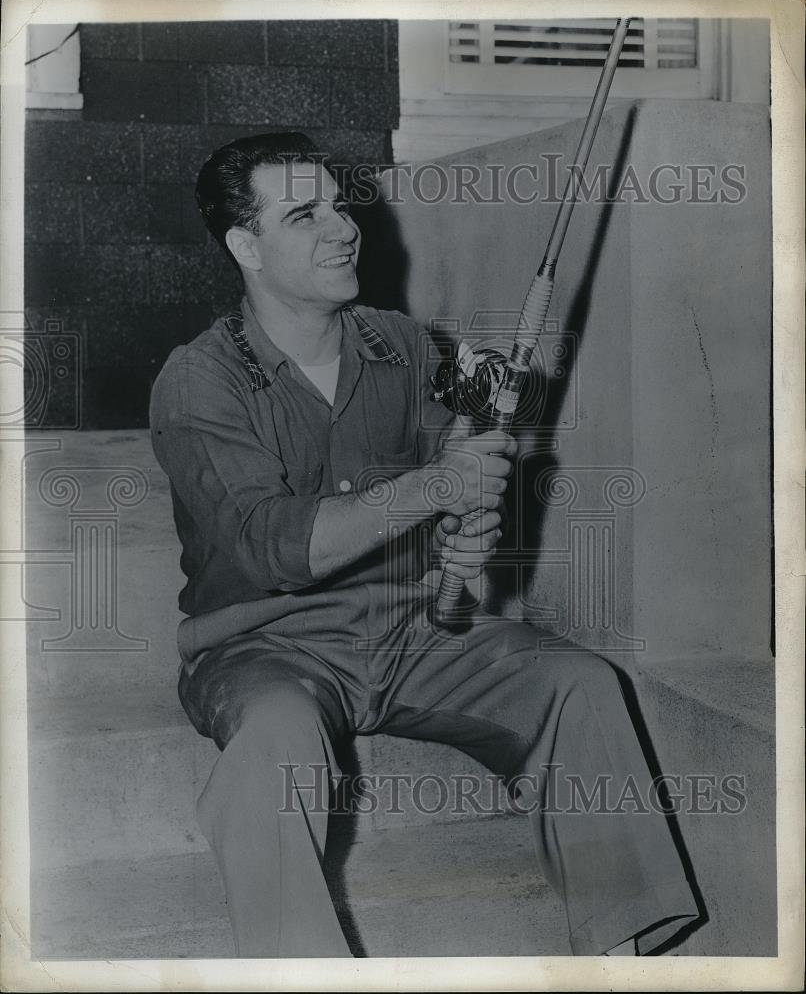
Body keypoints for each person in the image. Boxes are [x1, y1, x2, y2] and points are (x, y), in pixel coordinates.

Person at [149, 132, 700, 959]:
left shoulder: (401, 345)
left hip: (412, 635)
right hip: (267, 647)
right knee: (274, 745)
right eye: (306, 214)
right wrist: (435, 489)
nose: (343, 228)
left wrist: (467, 523)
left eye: (341, 204)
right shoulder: (199, 380)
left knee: (577, 683)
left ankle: (625, 958)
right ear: (245, 245)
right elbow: (271, 547)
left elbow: (452, 482)